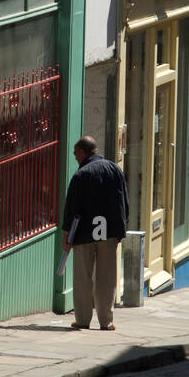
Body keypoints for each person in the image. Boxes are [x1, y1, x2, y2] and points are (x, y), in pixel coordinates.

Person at [61, 136, 129, 331]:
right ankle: (106, 321)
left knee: (83, 277)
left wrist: (67, 236)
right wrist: (121, 228)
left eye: (75, 154)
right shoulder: (114, 169)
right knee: (107, 278)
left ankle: (82, 319)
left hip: (83, 234)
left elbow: (71, 208)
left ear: (82, 152)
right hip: (109, 233)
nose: (75, 157)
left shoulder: (81, 174)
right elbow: (123, 201)